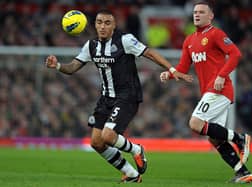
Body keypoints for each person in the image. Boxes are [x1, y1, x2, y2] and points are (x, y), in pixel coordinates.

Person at [45, 9, 193, 183]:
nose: (102, 26)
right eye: (99, 22)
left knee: (108, 136)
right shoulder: (91, 45)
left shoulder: (125, 40)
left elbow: (150, 53)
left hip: (127, 95)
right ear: (94, 25)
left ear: (114, 26)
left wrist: (172, 69)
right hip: (106, 98)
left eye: (107, 23)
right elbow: (72, 68)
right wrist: (57, 65)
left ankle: (136, 150)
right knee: (96, 143)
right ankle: (131, 174)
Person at [160, 1, 252, 184]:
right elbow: (183, 67)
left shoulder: (216, 34)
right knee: (215, 139)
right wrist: (170, 73)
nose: (197, 14)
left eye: (202, 12)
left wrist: (221, 75)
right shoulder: (189, 40)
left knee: (195, 123)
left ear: (210, 16)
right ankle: (243, 172)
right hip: (208, 91)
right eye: (195, 12)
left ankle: (241, 138)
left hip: (220, 88)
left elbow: (235, 54)